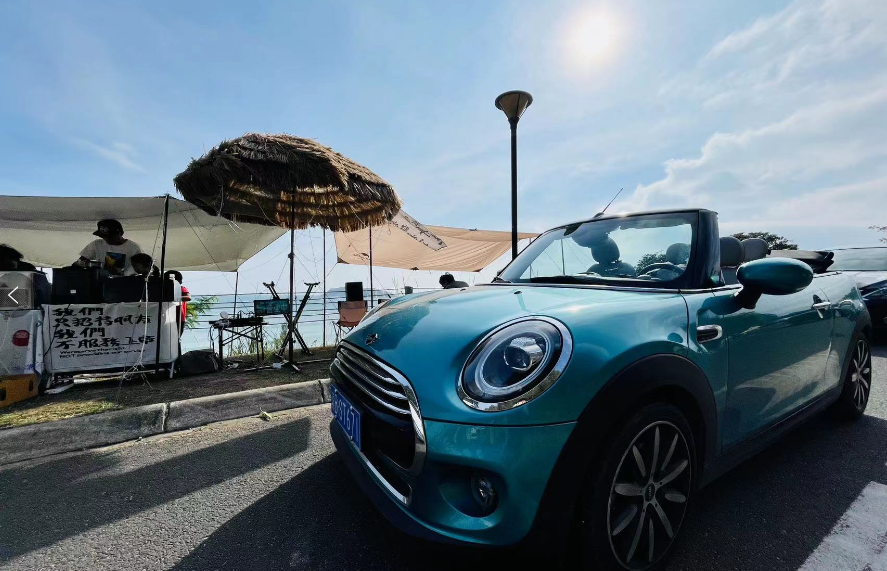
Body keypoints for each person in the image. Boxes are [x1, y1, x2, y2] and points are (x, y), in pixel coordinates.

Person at [75, 219, 142, 276]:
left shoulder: (133, 247)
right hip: (101, 282)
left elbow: (141, 269)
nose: (106, 239)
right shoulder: (97, 244)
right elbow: (79, 262)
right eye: (103, 237)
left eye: (110, 237)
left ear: (120, 233)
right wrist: (88, 265)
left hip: (125, 283)